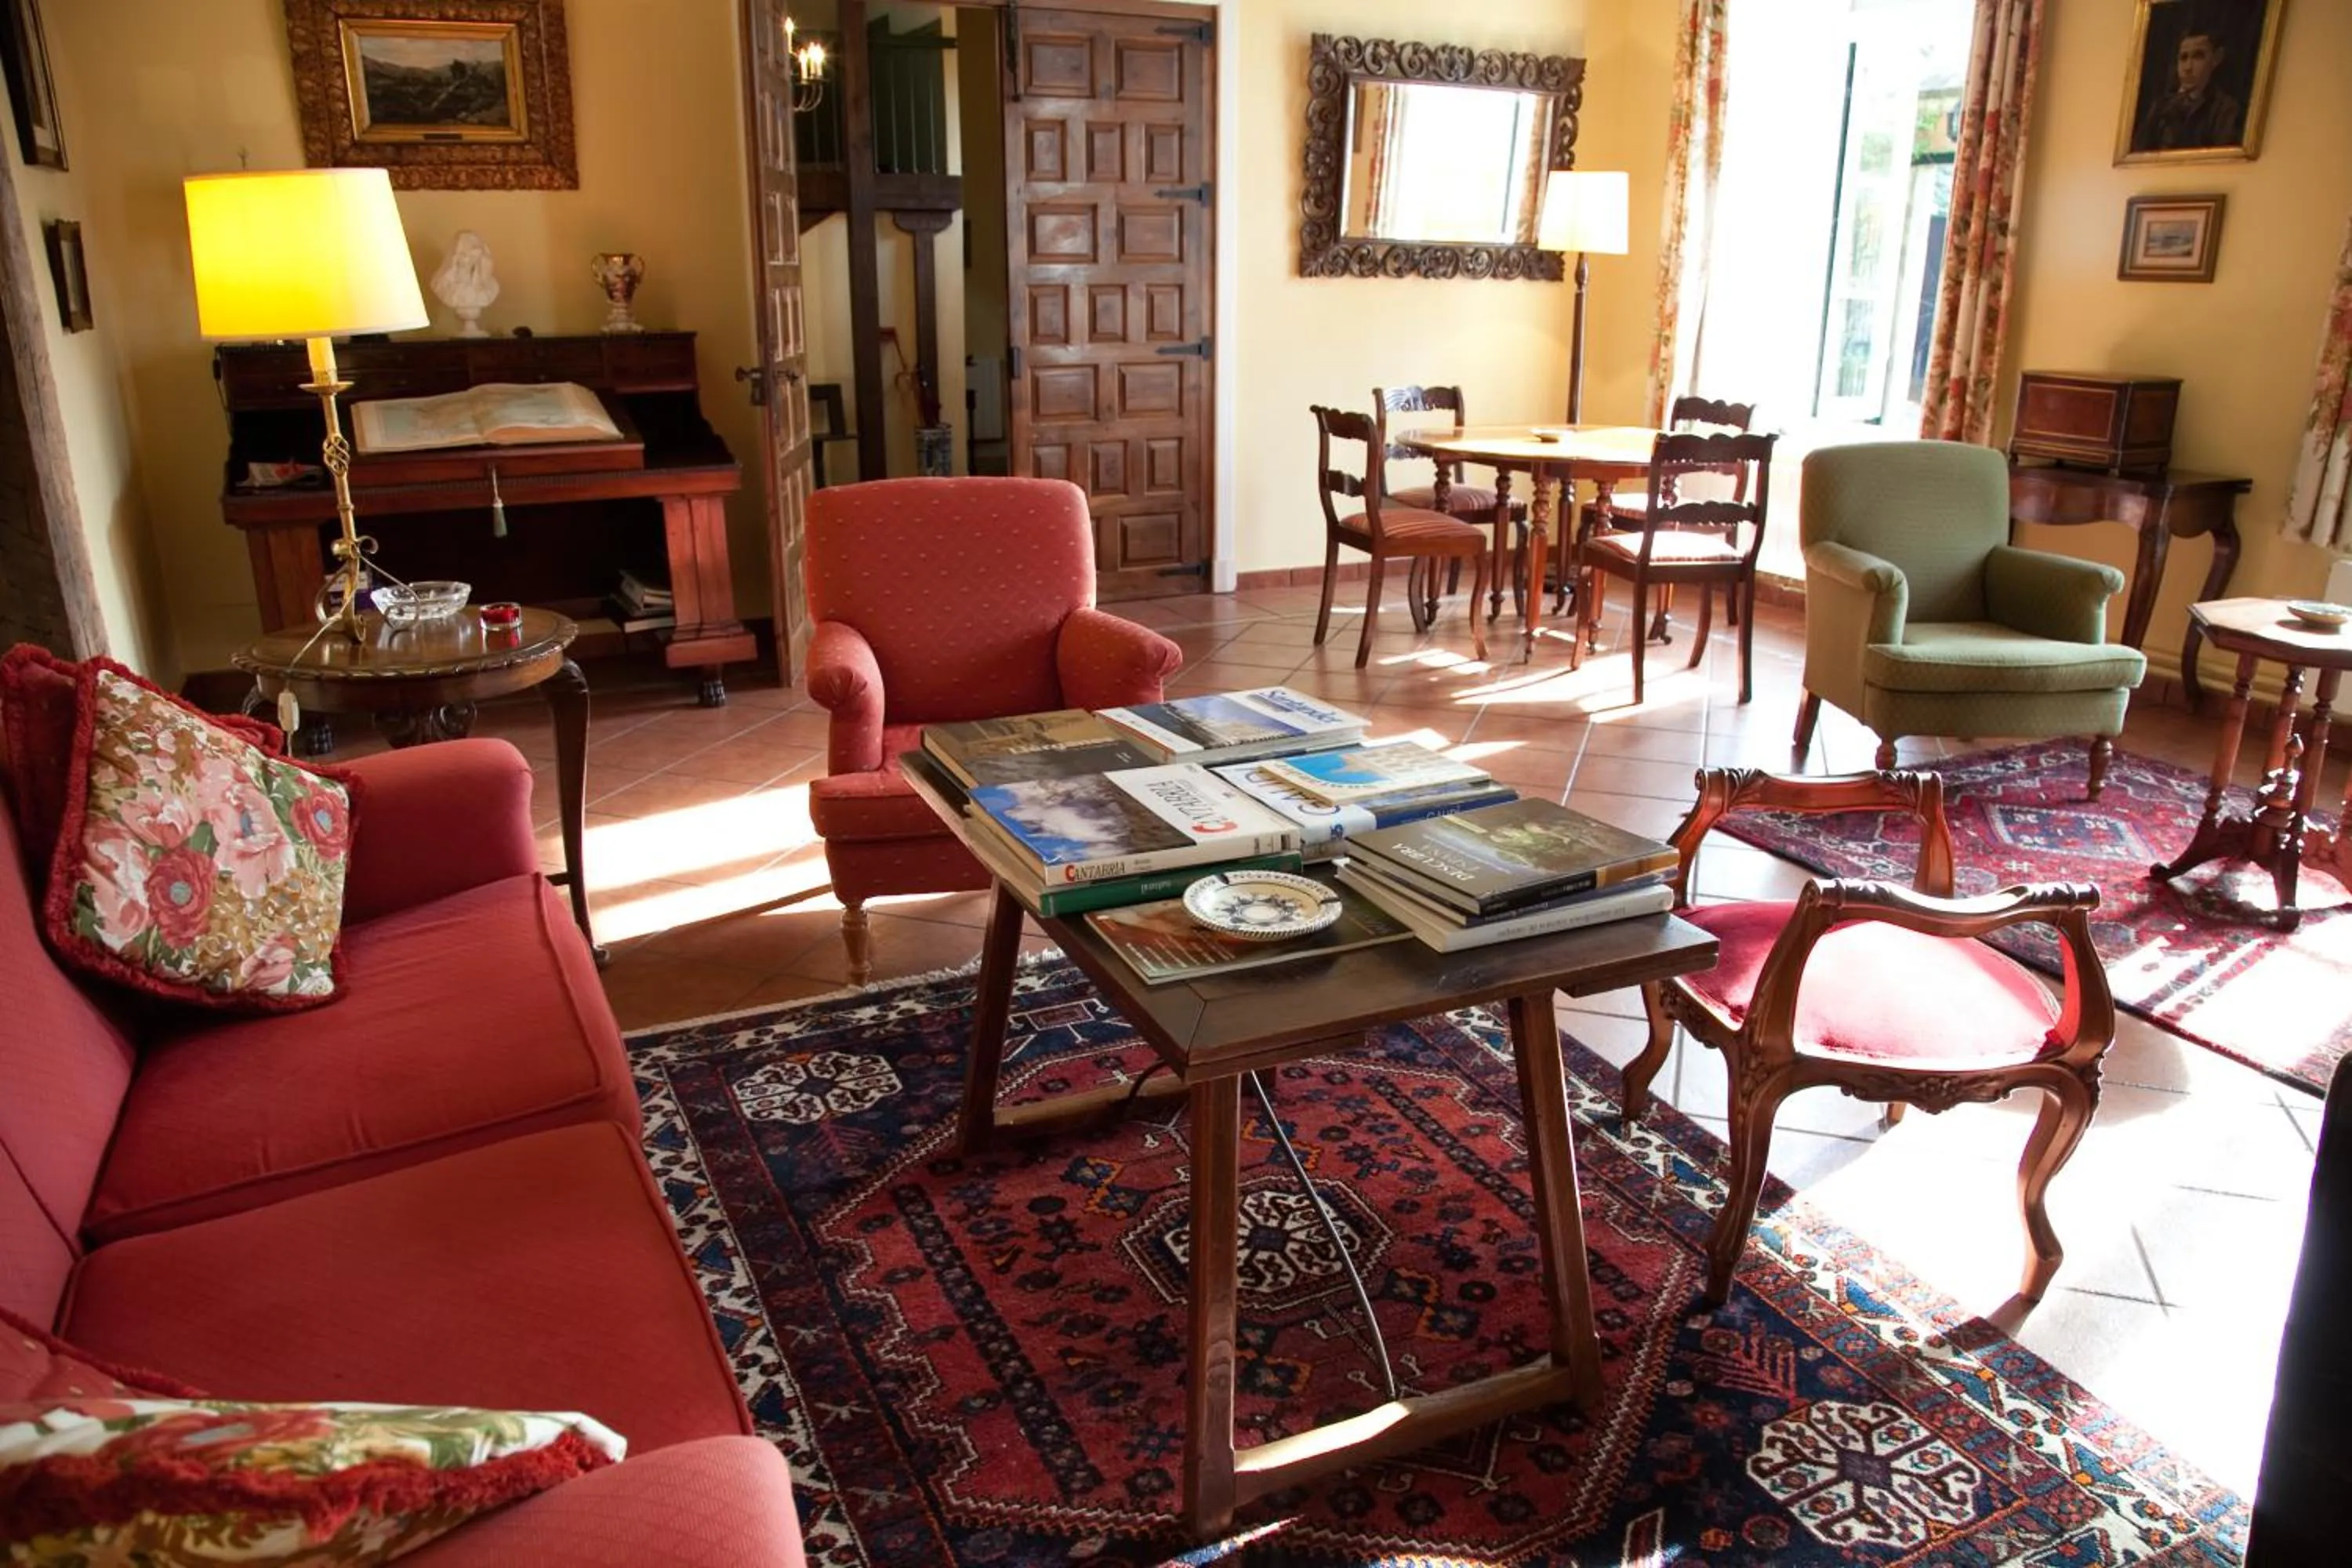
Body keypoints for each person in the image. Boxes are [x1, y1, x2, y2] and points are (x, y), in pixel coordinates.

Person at [2133, 21, 2246, 152]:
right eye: (2183, 58)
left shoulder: (2226, 110)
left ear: (2216, 58)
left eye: (2198, 57)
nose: (2188, 68)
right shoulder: (2160, 106)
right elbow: (2138, 153)